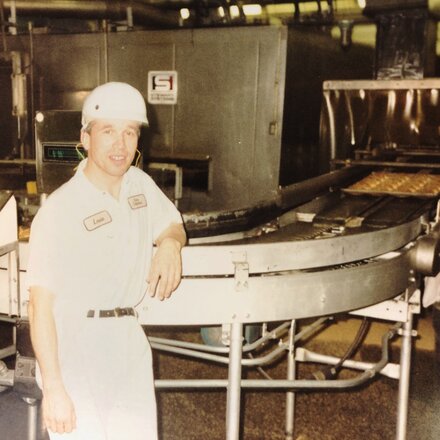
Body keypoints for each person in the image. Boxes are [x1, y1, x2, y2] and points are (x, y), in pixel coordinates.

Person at [26, 82, 186, 440]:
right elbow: (39, 309)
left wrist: (170, 245)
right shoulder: (60, 210)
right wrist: (53, 388)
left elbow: (173, 223)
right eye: (108, 131)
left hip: (128, 343)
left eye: (130, 132)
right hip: (78, 352)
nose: (120, 144)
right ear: (85, 137)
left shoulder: (139, 186)